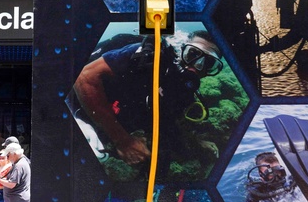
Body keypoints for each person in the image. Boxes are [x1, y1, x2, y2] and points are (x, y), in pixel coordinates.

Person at [71, 30, 223, 179]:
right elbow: (84, 78)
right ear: (182, 49)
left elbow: (170, 120)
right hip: (77, 107)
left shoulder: (184, 91)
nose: (197, 66)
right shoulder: (145, 55)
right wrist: (123, 140)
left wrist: (196, 143)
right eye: (193, 54)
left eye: (208, 63)